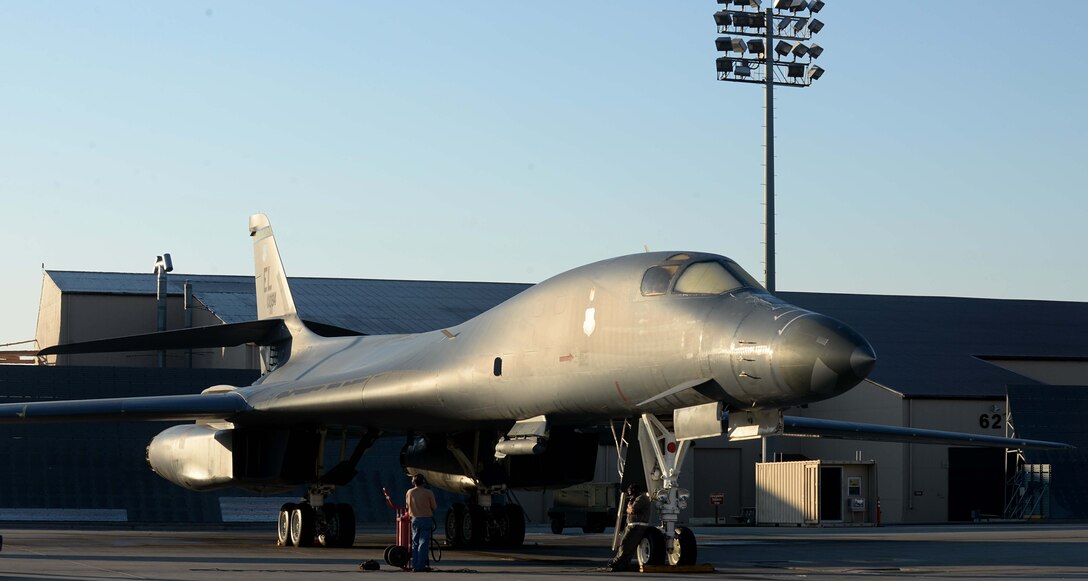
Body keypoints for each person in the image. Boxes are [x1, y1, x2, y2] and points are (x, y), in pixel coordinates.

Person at [607, 483, 652, 572]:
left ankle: (618, 562)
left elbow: (632, 510)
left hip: (636, 526)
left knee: (625, 545)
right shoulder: (638, 499)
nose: (630, 496)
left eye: (631, 493)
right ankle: (624, 564)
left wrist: (629, 506)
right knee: (629, 547)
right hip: (634, 525)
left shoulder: (641, 498)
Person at [405, 473, 437, 572]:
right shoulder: (428, 493)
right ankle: (420, 566)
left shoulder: (409, 492)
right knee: (423, 543)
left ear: (413, 482)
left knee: (415, 543)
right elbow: (434, 507)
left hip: (414, 519)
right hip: (426, 519)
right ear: (423, 482)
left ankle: (415, 565)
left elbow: (407, 506)